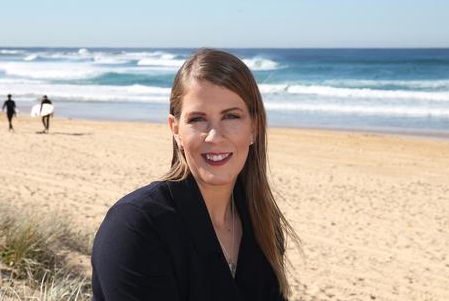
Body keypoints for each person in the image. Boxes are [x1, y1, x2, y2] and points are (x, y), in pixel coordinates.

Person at [91, 49, 298, 300]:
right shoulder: (136, 227)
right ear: (175, 129)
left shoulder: (263, 225)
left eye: (231, 116)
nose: (214, 136)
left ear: (253, 128)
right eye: (198, 119)